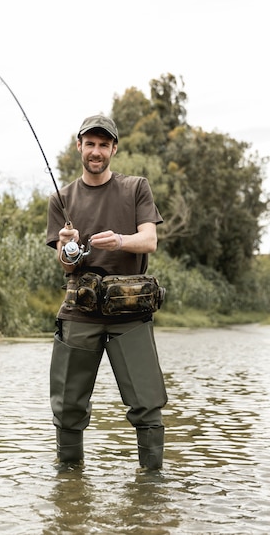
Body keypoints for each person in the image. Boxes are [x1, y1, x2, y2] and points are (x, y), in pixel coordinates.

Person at [46, 114, 167, 470]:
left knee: (147, 405)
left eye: (103, 145)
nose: (96, 151)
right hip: (79, 313)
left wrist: (119, 241)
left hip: (130, 313)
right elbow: (65, 264)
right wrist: (67, 247)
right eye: (90, 144)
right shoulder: (61, 198)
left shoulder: (136, 188)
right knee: (68, 406)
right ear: (79, 146)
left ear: (113, 148)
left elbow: (150, 240)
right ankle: (69, 486)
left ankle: (151, 487)